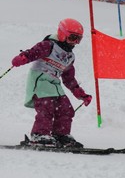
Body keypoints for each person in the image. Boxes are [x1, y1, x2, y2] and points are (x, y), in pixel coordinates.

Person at [11, 18, 92, 148]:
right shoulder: (49, 45)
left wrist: (80, 94)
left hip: (54, 84)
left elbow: (69, 78)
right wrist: (22, 58)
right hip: (40, 79)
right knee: (46, 107)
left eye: (79, 39)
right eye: (72, 38)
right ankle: (39, 135)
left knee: (66, 108)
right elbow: (32, 53)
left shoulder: (70, 56)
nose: (75, 43)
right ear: (62, 34)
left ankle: (60, 135)